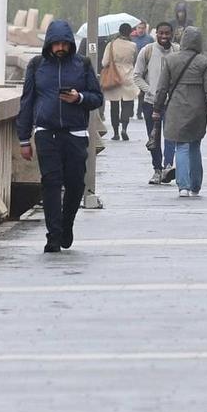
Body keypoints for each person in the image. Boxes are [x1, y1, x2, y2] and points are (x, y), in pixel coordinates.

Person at [16, 19, 105, 254]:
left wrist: (80, 98)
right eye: (56, 44)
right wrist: (24, 139)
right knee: (51, 183)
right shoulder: (37, 66)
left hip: (76, 134)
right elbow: (27, 102)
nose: (60, 48)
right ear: (48, 44)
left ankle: (66, 225)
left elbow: (97, 97)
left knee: (76, 184)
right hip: (46, 134)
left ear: (70, 44)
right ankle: (53, 236)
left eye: (64, 43)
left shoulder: (82, 65)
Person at [156, 26, 207, 198]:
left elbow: (162, 88)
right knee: (195, 145)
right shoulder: (203, 62)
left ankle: (183, 185)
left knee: (181, 146)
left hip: (177, 107)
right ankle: (196, 185)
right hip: (198, 108)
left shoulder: (171, 60)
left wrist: (156, 108)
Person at [135, 22, 177, 184]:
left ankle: (167, 166)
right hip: (151, 103)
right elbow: (136, 76)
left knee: (171, 136)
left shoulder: (177, 51)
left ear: (172, 34)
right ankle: (157, 169)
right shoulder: (147, 51)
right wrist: (151, 90)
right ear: (156, 34)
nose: (164, 36)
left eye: (167, 33)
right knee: (154, 137)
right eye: (161, 33)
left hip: (172, 103)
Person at [102, 21, 141, 141]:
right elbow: (136, 61)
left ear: (119, 31)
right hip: (128, 75)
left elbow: (104, 62)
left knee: (114, 105)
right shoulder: (133, 46)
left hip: (114, 76)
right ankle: (124, 128)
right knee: (127, 104)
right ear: (130, 32)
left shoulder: (111, 44)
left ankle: (116, 133)